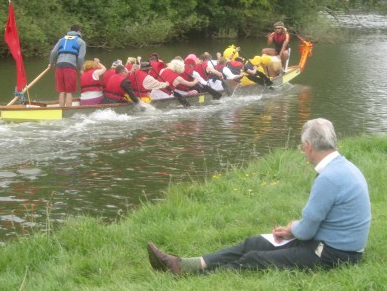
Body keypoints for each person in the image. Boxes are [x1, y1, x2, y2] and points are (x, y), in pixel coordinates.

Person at [147, 118, 371, 276]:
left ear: (308, 146)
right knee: (254, 243)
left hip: (334, 254)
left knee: (254, 258)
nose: (303, 151)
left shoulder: (329, 178)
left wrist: (294, 228)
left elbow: (308, 230)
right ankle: (184, 265)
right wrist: (294, 229)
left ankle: (191, 277)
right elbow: (318, 221)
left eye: (302, 148)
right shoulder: (344, 167)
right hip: (331, 244)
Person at [49, 25, 86, 107]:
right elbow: (80, 57)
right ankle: (68, 111)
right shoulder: (81, 42)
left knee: (61, 91)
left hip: (59, 65)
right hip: (70, 66)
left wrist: (51, 63)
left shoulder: (61, 40)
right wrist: (81, 69)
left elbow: (53, 52)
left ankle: (60, 109)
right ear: (79, 31)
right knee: (69, 91)